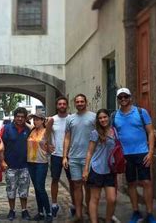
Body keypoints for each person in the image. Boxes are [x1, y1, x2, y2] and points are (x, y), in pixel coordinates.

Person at [113, 88, 156, 223]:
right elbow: (112, 135)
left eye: (125, 96)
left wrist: (150, 152)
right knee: (131, 183)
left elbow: (150, 132)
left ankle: (150, 213)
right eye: (120, 97)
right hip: (125, 155)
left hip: (142, 152)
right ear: (118, 100)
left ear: (130, 97)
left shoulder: (141, 112)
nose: (123, 99)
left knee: (146, 182)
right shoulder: (114, 116)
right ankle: (136, 212)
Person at [62, 94, 96, 222]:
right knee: (76, 186)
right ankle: (79, 214)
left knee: (88, 186)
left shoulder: (93, 117)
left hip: (90, 158)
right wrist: (65, 156)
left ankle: (89, 210)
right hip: (74, 158)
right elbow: (67, 138)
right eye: (77, 101)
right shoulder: (70, 119)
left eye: (82, 101)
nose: (80, 103)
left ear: (86, 102)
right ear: (74, 103)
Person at [82, 109, 117, 223]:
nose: (103, 120)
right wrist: (86, 169)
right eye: (100, 118)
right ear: (98, 120)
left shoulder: (114, 131)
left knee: (112, 199)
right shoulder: (95, 133)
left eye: (105, 117)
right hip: (96, 169)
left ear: (108, 117)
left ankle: (108, 220)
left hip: (110, 170)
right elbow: (89, 152)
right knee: (95, 198)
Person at [45, 96, 74, 218]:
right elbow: (46, 134)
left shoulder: (72, 119)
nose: (62, 106)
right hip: (57, 155)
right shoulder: (52, 119)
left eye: (64, 104)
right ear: (57, 106)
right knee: (55, 179)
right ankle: (54, 204)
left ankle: (74, 204)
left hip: (71, 155)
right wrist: (48, 146)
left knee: (73, 181)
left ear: (67, 105)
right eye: (59, 104)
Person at [1, 107, 32, 221]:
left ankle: (24, 210)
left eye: (22, 117)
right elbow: (1, 146)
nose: (20, 119)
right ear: (14, 117)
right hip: (10, 166)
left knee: (24, 190)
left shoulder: (28, 130)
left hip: (25, 166)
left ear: (25, 118)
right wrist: (2, 161)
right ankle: (12, 210)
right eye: (18, 116)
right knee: (11, 189)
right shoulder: (7, 128)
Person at [27, 112, 53, 222]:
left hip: (41, 163)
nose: (35, 121)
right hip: (30, 162)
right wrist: (30, 117)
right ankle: (40, 212)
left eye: (38, 119)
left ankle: (49, 213)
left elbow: (51, 120)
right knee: (37, 189)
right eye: (34, 119)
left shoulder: (46, 132)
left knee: (41, 188)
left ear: (42, 120)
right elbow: (25, 121)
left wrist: (42, 117)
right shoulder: (32, 130)